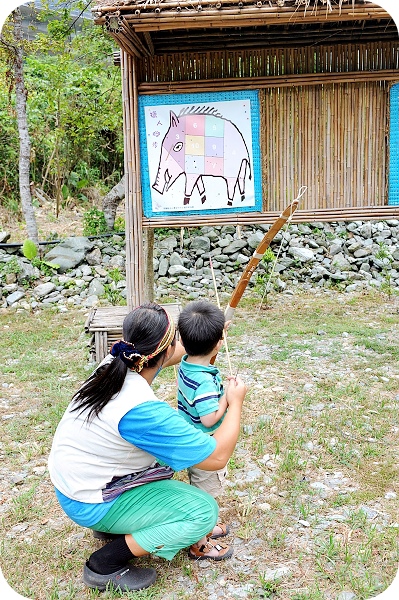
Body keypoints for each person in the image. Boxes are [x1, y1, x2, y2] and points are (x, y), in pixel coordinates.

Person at [48, 303, 247, 593]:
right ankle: (104, 563)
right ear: (164, 351)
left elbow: (179, 353)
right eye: (177, 339)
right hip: (90, 500)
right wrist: (236, 401)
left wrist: (208, 337)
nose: (179, 346)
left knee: (165, 465)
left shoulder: (115, 363)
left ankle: (112, 525)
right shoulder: (141, 410)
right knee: (204, 512)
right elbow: (216, 457)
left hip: (75, 485)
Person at [177, 300, 232, 538]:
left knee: (198, 482)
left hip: (190, 437)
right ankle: (202, 532)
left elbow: (205, 350)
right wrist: (230, 398)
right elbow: (210, 419)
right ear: (217, 345)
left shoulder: (186, 364)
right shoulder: (205, 382)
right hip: (205, 445)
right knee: (206, 489)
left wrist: (217, 337)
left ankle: (206, 523)